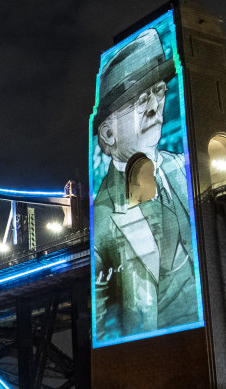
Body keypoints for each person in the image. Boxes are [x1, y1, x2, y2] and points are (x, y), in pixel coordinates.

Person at [93, 28, 199, 342]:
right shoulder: (102, 220)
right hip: (155, 352)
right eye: (141, 100)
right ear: (108, 135)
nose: (155, 106)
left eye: (159, 91)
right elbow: (103, 328)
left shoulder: (182, 168)